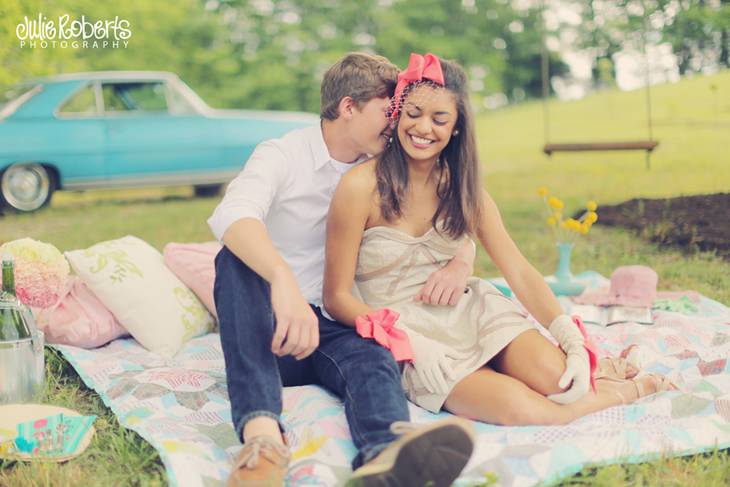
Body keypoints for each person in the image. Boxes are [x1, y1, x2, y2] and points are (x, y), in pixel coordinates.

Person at [323, 53, 675, 426]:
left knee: (560, 382)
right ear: (398, 114)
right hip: (413, 339)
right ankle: (626, 390)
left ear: (456, 127)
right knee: (525, 410)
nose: (423, 128)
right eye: (413, 113)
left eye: (439, 119)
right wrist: (402, 338)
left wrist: (567, 334)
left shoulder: (463, 190)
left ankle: (596, 372)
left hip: (470, 312)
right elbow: (337, 297)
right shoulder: (360, 187)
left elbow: (519, 271)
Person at [208, 52, 477, 487]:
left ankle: (387, 458)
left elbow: (453, 213)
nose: (397, 122)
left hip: (332, 324)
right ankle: (262, 442)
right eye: (388, 110)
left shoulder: (388, 165)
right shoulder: (283, 154)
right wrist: (283, 283)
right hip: (270, 329)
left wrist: (463, 257)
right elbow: (232, 214)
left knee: (372, 352)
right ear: (348, 107)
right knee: (232, 259)